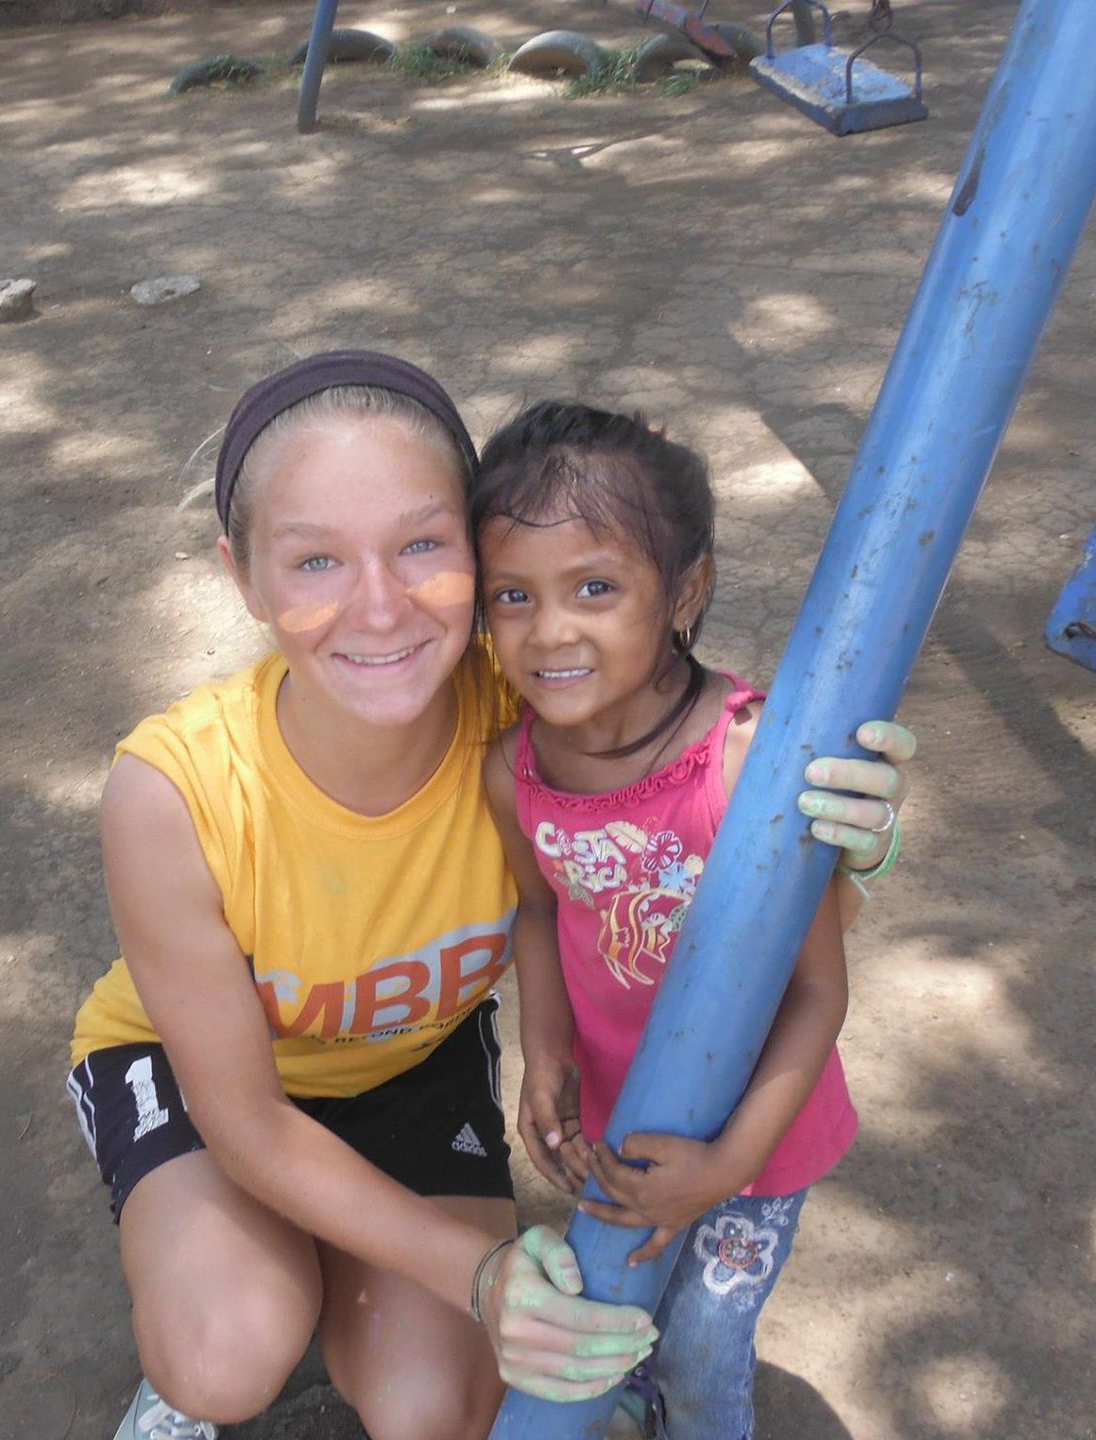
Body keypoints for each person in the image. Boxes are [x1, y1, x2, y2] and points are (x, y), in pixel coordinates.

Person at [65, 353, 913, 1440]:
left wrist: (851, 832)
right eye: (314, 559)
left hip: (411, 1065)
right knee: (226, 1350)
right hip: (214, 1083)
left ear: (477, 555)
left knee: (436, 1413)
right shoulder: (172, 790)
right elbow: (249, 1123)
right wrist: (481, 1276)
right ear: (246, 579)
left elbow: (701, 792)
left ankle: (323, 1258)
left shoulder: (533, 713)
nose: (377, 609)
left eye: (422, 545)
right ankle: (235, 1280)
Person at [474, 400, 903, 1440]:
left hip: (756, 1139)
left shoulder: (750, 766)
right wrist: (545, 1053)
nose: (551, 629)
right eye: (514, 597)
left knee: (706, 1351)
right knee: (623, 1320)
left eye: (596, 587)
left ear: (687, 590)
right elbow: (538, 909)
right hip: (623, 1123)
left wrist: (726, 1167)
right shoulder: (513, 768)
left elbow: (815, 991)